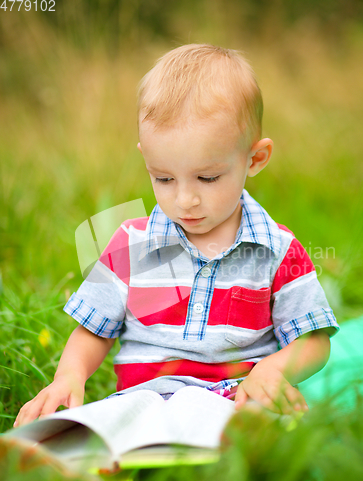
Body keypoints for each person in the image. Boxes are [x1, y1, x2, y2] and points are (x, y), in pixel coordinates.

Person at [14, 44, 339, 427]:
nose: (185, 199)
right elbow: (94, 330)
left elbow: (313, 340)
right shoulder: (130, 244)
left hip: (237, 402)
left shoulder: (279, 250)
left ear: (254, 159)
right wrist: (69, 376)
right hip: (143, 402)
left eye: (208, 177)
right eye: (163, 178)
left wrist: (273, 370)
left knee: (259, 433)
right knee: (94, 427)